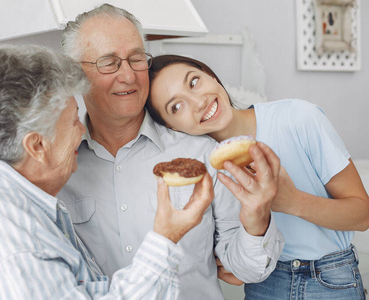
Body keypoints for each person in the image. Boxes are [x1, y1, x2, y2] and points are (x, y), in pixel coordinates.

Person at [0, 45, 216, 300]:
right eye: (74, 120)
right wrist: (165, 238)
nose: (82, 130)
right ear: (37, 145)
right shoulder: (16, 253)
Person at [59, 4, 285, 299]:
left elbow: (246, 270)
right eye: (109, 62)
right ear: (76, 75)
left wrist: (258, 215)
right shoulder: (57, 169)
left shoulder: (202, 154)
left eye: (136, 58)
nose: (128, 75)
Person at [146, 54, 369, 299]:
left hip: (330, 279)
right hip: (264, 285)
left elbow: (362, 215)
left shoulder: (298, 118)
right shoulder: (199, 170)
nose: (197, 102)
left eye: (193, 81)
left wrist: (293, 202)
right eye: (176, 107)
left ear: (209, 74)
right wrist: (237, 263)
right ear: (171, 126)